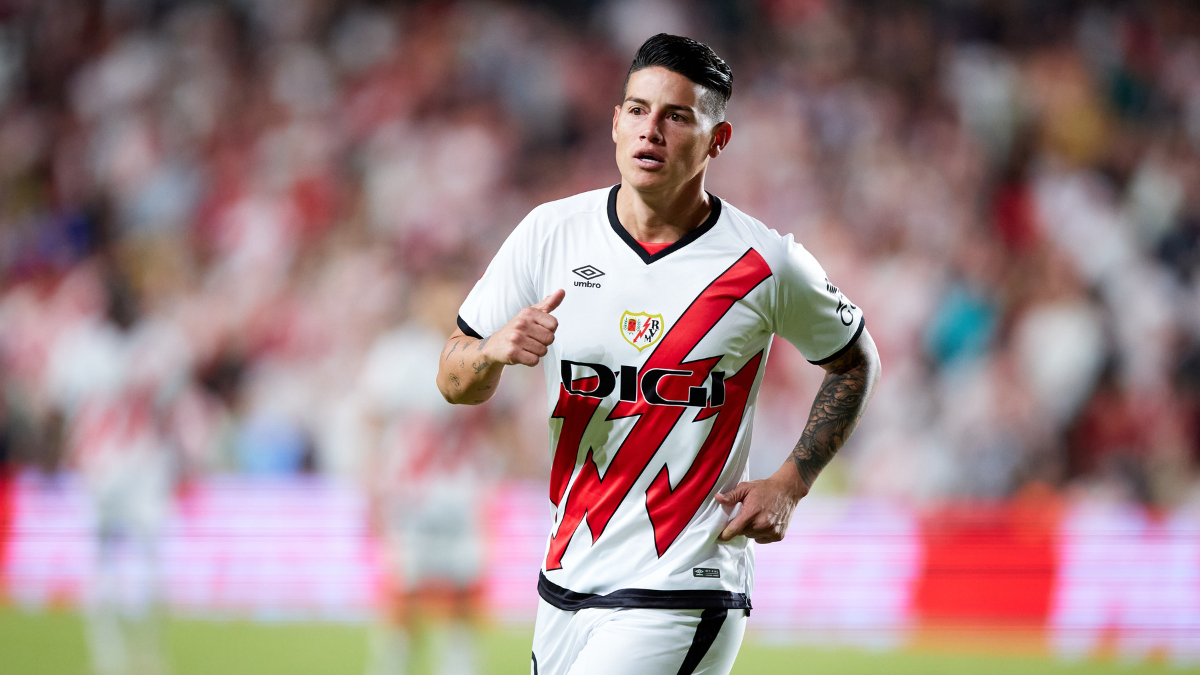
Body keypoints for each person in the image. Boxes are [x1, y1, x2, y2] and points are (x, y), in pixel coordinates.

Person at [436, 33, 880, 675]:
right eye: (638, 110)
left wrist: (792, 482)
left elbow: (855, 358)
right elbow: (454, 379)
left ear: (717, 141)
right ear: (615, 123)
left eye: (677, 116)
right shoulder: (549, 234)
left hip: (684, 583)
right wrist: (492, 353)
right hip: (567, 577)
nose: (652, 131)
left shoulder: (765, 261)